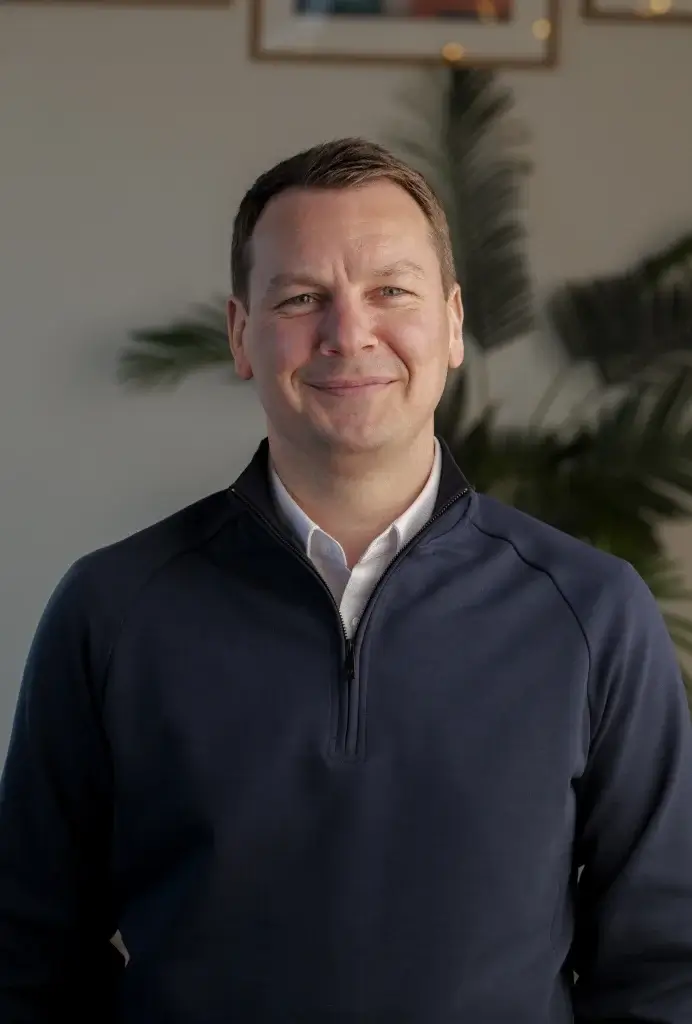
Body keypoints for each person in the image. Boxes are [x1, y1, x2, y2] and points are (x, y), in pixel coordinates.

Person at [1, 137, 692, 1024]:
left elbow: (666, 965)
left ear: (452, 326)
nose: (348, 332)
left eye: (390, 292)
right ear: (242, 336)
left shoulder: (594, 611)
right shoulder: (112, 609)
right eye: (300, 298)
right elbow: (29, 955)